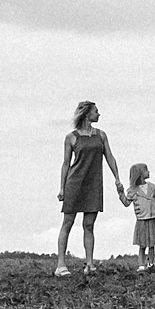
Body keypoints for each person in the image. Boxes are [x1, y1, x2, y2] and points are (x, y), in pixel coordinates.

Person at [55, 99, 124, 276]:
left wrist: (117, 178)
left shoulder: (101, 135)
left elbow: (110, 157)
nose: (98, 114)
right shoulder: (71, 137)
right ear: (87, 114)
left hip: (94, 185)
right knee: (68, 223)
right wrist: (62, 188)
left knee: (89, 224)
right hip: (74, 183)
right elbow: (65, 164)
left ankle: (90, 264)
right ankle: (61, 265)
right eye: (96, 111)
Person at [121, 162, 155, 271]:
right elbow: (126, 203)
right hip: (142, 219)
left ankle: (151, 263)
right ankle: (141, 264)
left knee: (152, 243)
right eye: (146, 170)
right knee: (142, 244)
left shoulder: (153, 187)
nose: (148, 172)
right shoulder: (132, 190)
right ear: (140, 174)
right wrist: (120, 193)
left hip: (154, 218)